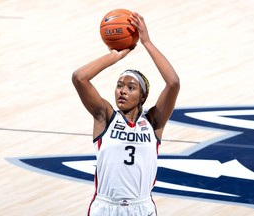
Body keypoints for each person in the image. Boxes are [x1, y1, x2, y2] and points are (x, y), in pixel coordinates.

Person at [72, 12, 180, 216]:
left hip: (141, 207)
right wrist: (115, 56)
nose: (122, 90)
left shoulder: (154, 122)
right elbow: (79, 78)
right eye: (119, 85)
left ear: (142, 96)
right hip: (105, 207)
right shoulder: (105, 117)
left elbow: (173, 83)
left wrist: (146, 42)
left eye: (131, 87)